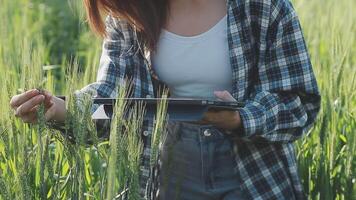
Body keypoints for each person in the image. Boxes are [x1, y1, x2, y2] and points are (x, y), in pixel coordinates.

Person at [9, 0, 321, 199]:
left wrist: (241, 117)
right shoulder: (134, 14)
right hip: (169, 165)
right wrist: (63, 110)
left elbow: (299, 103)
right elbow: (113, 100)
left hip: (253, 169)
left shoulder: (265, 7)